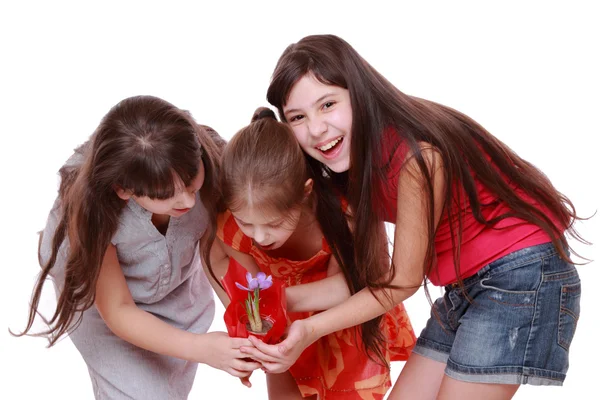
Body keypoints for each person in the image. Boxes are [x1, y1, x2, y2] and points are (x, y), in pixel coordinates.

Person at [240, 34, 585, 399]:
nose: (316, 129)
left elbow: (401, 282)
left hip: (520, 275)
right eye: (298, 117)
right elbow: (368, 278)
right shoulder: (352, 168)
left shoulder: (414, 158)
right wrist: (276, 300)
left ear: (358, 92)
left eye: (327, 105)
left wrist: (310, 330)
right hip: (466, 286)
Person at [12, 95, 261, 399]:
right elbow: (118, 309)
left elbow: (219, 251)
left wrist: (247, 320)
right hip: (103, 298)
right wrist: (203, 349)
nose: (187, 200)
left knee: (165, 382)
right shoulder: (91, 211)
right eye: (166, 195)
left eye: (190, 180)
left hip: (171, 282)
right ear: (124, 190)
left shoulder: (213, 159)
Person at [207, 107, 416, 399]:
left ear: (305, 192)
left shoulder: (344, 211)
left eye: (274, 223)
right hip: (284, 332)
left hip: (346, 323)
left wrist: (277, 299)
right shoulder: (231, 228)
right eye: (246, 222)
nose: (259, 235)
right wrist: (251, 339)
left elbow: (351, 286)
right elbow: (249, 292)